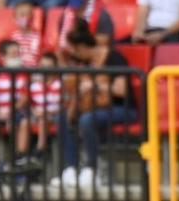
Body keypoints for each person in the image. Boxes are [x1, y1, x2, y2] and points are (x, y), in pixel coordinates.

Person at [57, 22, 138, 189]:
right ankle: (70, 169)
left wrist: (94, 86)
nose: (73, 54)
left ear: (82, 47)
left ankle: (91, 169)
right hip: (92, 107)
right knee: (65, 117)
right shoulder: (83, 63)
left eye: (74, 50)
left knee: (87, 120)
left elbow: (121, 90)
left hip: (122, 108)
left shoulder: (114, 58)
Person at [0, 40, 32, 182]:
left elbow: (24, 98)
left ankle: (19, 164)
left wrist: (11, 111)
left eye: (18, 54)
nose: (17, 57)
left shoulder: (23, 74)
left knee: (21, 123)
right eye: (13, 54)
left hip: (16, 111)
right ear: (2, 57)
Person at [30, 50, 63, 160]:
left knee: (44, 119)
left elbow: (64, 106)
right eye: (43, 66)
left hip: (54, 115)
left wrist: (48, 112)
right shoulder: (33, 85)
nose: (45, 69)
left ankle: (39, 150)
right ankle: (21, 156)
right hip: (35, 115)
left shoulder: (60, 84)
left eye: (49, 66)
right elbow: (29, 104)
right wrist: (34, 111)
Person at [7, 0, 43, 67]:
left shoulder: (37, 36)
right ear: (15, 17)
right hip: (18, 67)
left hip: (33, 68)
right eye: (21, 14)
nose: (25, 17)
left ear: (32, 17)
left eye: (28, 14)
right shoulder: (13, 36)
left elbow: (39, 55)